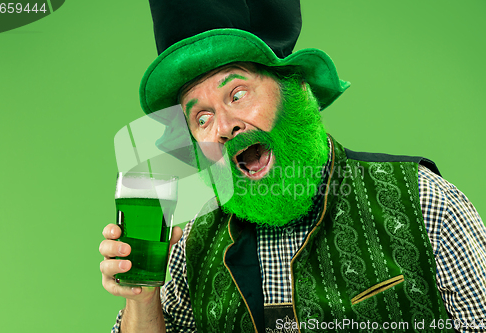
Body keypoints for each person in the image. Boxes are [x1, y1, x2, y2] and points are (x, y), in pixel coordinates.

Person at [100, 1, 486, 332]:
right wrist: (143, 295)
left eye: (237, 93)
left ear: (295, 90)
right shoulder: (191, 251)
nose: (224, 126)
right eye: (201, 118)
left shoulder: (423, 201)